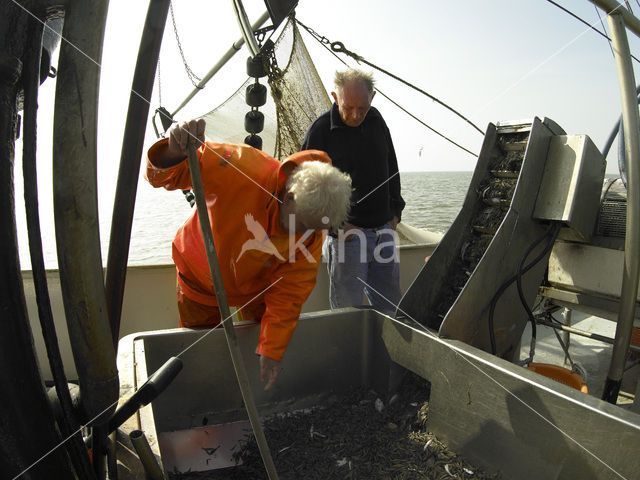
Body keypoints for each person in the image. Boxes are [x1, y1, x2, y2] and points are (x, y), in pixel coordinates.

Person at [145, 119, 352, 391]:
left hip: (256, 289)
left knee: (258, 350)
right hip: (199, 278)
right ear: (288, 195)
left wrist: (271, 350)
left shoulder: (312, 232)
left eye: (317, 229)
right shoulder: (239, 165)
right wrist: (173, 150)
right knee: (201, 355)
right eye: (303, 224)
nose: (306, 235)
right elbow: (166, 175)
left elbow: (289, 294)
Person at [301, 69, 405, 313]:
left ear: (373, 98)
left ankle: (384, 352)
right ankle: (350, 353)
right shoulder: (320, 131)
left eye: (363, 108)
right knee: (347, 314)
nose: (356, 115)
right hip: (346, 239)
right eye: (348, 107)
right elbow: (302, 189)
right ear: (335, 97)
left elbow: (392, 166)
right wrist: (335, 226)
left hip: (385, 232)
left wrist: (395, 212)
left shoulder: (376, 120)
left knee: (392, 311)